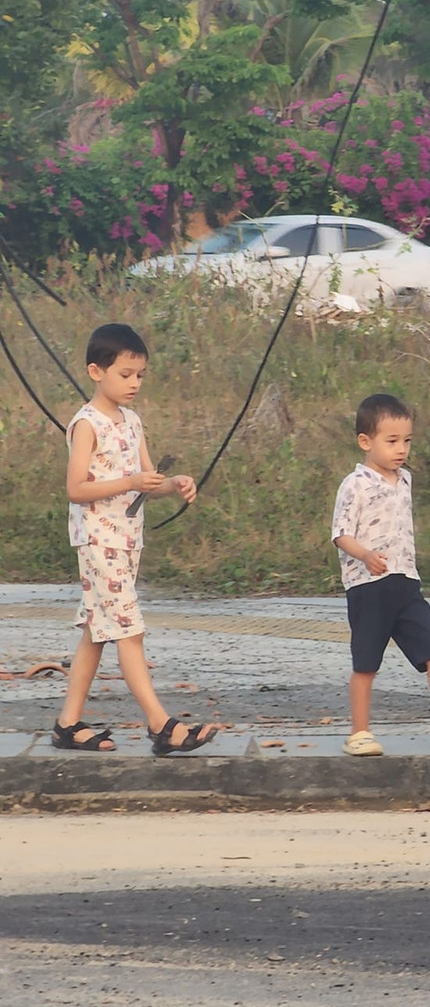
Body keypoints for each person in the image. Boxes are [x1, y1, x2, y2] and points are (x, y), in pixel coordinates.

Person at [53, 322, 219, 755]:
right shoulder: (86, 424)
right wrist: (129, 479)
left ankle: (67, 724)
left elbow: (146, 481)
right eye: (125, 374)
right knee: (129, 630)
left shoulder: (132, 421)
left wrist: (174, 484)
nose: (134, 383)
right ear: (96, 371)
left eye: (140, 375)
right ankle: (162, 725)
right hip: (97, 540)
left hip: (127, 539)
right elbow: (75, 488)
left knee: (97, 629)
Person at [334, 391, 430, 756]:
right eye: (391, 441)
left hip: (406, 582)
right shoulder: (354, 484)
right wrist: (366, 555)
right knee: (365, 663)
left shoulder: (404, 479)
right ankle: (359, 732)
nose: (401, 449)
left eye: (406, 441)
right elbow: (340, 533)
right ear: (365, 441)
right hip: (368, 586)